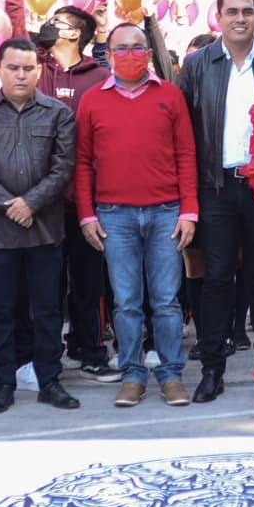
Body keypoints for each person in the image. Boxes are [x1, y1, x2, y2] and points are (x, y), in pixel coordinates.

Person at [177, 0, 254, 402]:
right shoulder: (197, 65)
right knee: (217, 279)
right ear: (218, 17)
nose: (240, 18)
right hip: (216, 188)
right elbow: (184, 132)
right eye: (232, 12)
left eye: (247, 11)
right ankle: (211, 369)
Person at [0, 37, 81, 413]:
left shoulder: (57, 113)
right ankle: (5, 382)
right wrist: (10, 204)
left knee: (47, 309)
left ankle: (49, 380)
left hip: (45, 229)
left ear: (38, 70)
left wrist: (31, 202)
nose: (21, 74)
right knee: (1, 308)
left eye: (28, 68)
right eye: (13, 67)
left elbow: (63, 166)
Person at [78, 23, 197, 407]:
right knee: (126, 302)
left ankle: (171, 374)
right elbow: (81, 163)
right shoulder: (93, 100)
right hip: (114, 216)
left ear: (148, 52)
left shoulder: (172, 96)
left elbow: (186, 156)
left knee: (166, 301)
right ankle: (132, 374)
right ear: (108, 56)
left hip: (166, 213)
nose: (131, 54)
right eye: (122, 48)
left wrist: (189, 210)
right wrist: (86, 215)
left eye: (138, 47)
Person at [38, 5, 116, 382]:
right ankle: (46, 356)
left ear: (75, 34)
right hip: (41, 201)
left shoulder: (100, 76)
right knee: (46, 284)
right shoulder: (35, 70)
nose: (50, 27)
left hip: (87, 199)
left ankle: (90, 349)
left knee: (88, 282)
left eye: (58, 23)